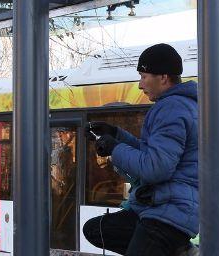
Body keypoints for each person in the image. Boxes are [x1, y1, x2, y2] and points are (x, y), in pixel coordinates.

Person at [82, 43, 199, 256]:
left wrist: (115, 149)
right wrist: (116, 135)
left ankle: (176, 250)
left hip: (168, 213)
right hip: (163, 208)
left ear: (163, 77)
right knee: (95, 229)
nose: (140, 85)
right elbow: (153, 154)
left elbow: (156, 168)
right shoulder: (183, 105)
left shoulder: (171, 108)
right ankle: (176, 250)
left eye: (144, 76)